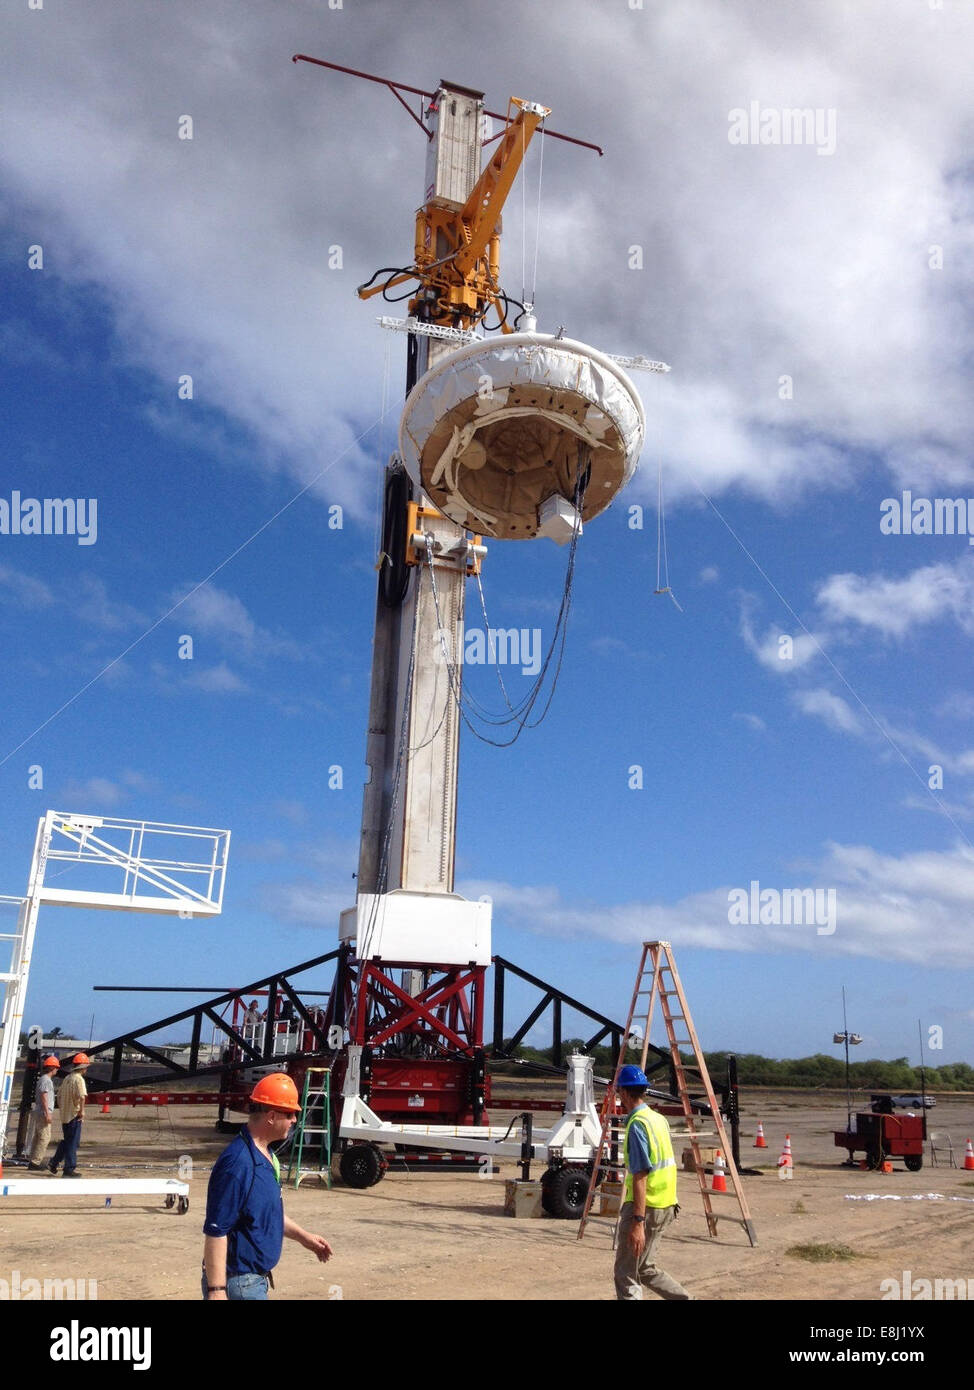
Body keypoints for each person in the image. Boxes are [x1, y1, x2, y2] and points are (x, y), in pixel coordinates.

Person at [202, 1072, 332, 1300]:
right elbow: (216, 1229)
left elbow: (265, 1214)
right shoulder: (239, 1163)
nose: (294, 1120)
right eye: (290, 1113)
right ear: (271, 1116)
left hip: (252, 1281)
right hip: (239, 1284)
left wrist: (305, 1238)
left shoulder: (267, 1156)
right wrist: (217, 1290)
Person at [613, 1063, 691, 1300]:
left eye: (619, 1092)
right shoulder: (657, 1119)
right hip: (666, 1204)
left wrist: (637, 1222)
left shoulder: (637, 1124)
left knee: (626, 1273)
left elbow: (640, 1175)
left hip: (646, 1209)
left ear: (625, 1092)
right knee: (645, 1268)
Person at [48, 1052, 89, 1177]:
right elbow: (82, 1097)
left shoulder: (67, 1078)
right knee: (72, 1143)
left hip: (65, 1115)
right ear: (82, 1067)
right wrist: (81, 1111)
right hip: (74, 1115)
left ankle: (54, 1162)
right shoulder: (79, 1079)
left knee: (67, 1141)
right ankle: (69, 1168)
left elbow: (59, 1096)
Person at [27, 1055, 60, 1170]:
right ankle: (36, 1162)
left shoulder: (43, 1079)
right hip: (43, 1112)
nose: (57, 1070)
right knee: (44, 1137)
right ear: (52, 1068)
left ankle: (33, 1161)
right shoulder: (46, 1081)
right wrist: (47, 1113)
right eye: (56, 1067)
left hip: (39, 1111)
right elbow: (44, 1097)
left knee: (38, 1137)